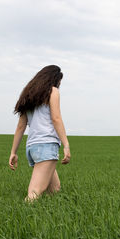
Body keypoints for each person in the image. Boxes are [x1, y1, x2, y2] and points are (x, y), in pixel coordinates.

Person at [8, 65, 71, 202]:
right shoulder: (53, 91)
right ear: (54, 79)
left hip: (32, 148)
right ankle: (18, 220)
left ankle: (48, 219)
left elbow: (21, 126)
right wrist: (66, 144)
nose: (59, 85)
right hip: (46, 145)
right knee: (34, 193)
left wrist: (14, 152)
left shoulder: (29, 95)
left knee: (54, 189)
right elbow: (56, 118)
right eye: (59, 81)